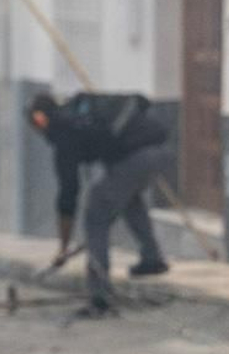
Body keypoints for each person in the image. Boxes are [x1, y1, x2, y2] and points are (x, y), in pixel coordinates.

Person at [29, 90, 171, 317]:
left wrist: (63, 248)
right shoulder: (78, 111)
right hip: (158, 150)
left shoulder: (64, 134)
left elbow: (68, 195)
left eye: (34, 125)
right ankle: (152, 258)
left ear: (40, 119)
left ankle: (100, 297)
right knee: (127, 198)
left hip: (138, 156)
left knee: (95, 215)